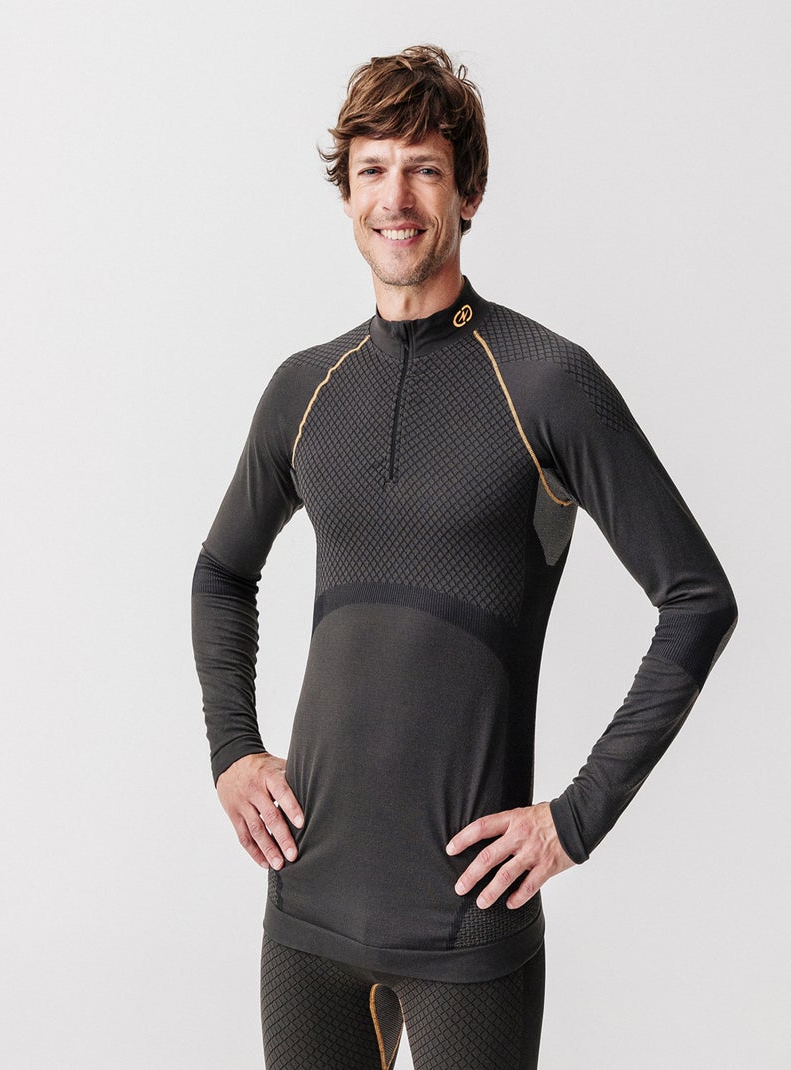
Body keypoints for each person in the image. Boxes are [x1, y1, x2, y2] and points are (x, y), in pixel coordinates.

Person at [191, 44, 737, 1070]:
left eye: (424, 169)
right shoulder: (305, 389)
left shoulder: (544, 382)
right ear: (346, 193)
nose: (394, 197)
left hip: (467, 926)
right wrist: (233, 748)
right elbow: (222, 573)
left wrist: (574, 820)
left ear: (468, 192)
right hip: (304, 913)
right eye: (372, 169)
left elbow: (697, 599)